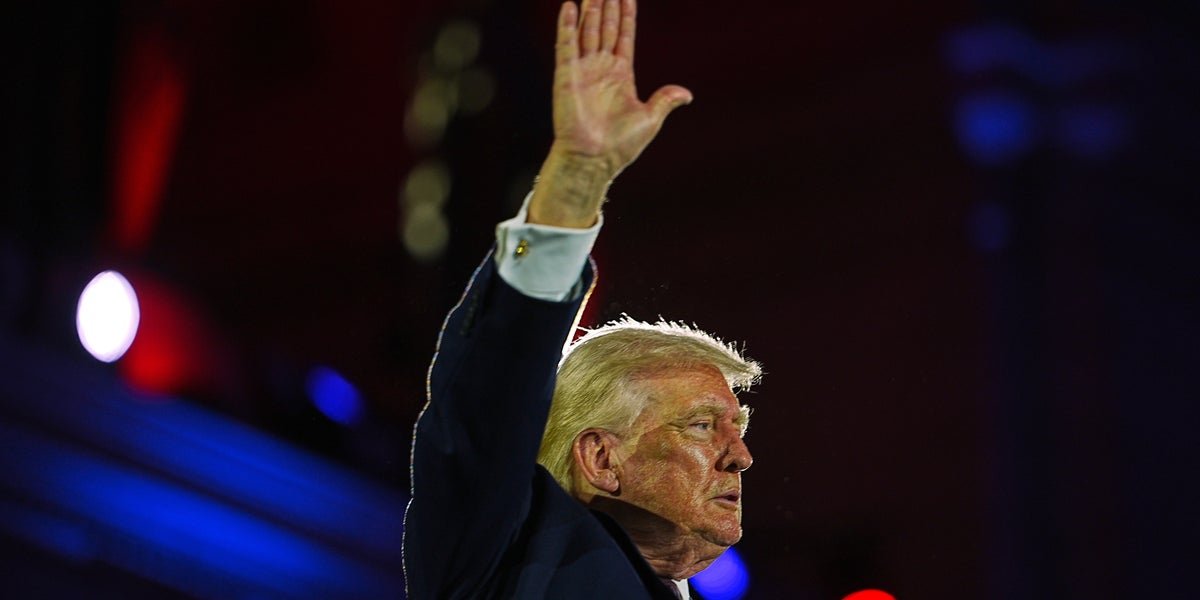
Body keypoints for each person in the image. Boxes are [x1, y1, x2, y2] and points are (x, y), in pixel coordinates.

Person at [403, 1, 762, 598]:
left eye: (736, 426)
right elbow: (489, 402)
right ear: (600, 458)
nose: (742, 457)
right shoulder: (507, 558)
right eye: (703, 426)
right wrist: (577, 177)